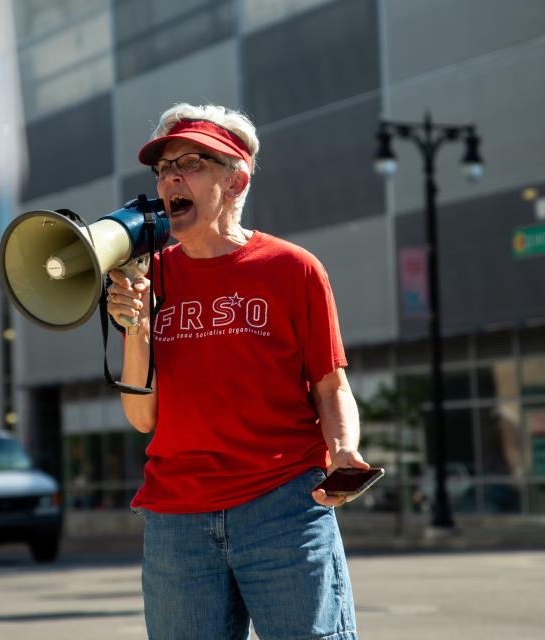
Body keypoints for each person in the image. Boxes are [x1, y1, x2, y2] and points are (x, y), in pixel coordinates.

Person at [106, 103, 368, 640]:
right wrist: (136, 327)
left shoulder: (292, 269)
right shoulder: (145, 275)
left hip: (283, 510)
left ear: (237, 178)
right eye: (162, 168)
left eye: (192, 163)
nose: (170, 178)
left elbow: (330, 384)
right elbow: (141, 417)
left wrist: (343, 450)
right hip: (176, 520)